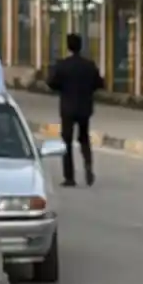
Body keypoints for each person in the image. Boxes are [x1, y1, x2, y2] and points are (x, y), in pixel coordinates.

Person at [47, 32, 104, 187]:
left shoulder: (62, 65)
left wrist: (63, 87)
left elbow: (51, 83)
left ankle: (69, 177)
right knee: (84, 138)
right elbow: (100, 83)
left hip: (67, 108)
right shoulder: (89, 65)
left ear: (68, 46)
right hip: (85, 107)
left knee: (67, 141)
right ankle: (88, 164)